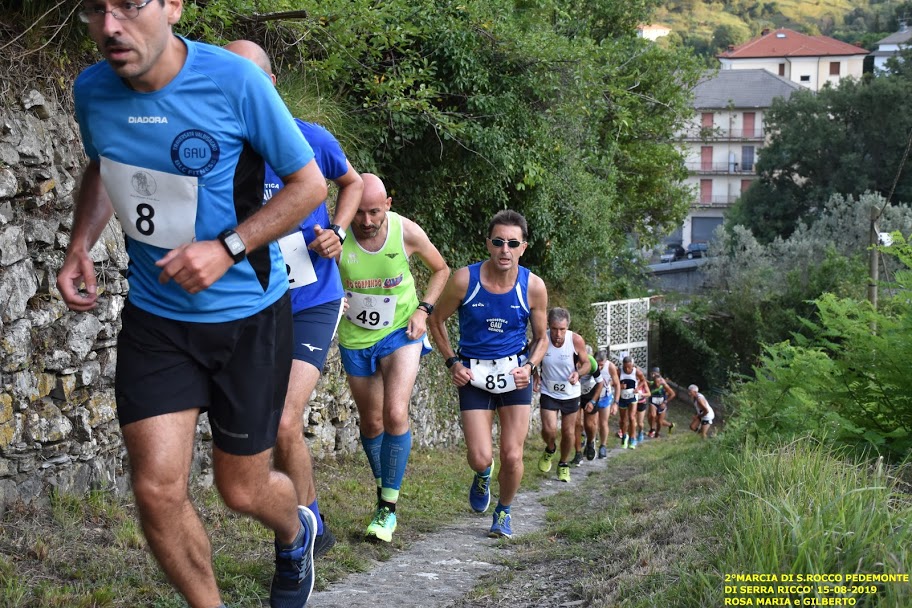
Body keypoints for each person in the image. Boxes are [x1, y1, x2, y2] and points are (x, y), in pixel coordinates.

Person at [60, 3, 329, 607]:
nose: (110, 26)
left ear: (173, 6)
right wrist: (80, 243)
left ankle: (295, 529)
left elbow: (308, 185)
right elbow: (105, 167)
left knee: (243, 489)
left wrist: (228, 248)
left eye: (129, 5)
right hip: (157, 319)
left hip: (249, 319)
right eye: (95, 9)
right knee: (156, 489)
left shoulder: (235, 82)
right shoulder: (92, 88)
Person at [224, 39, 364, 560]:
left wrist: (339, 230)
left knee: (286, 420)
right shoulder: (219, 145)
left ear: (270, 84)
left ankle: (307, 533)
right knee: (264, 427)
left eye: (244, 78)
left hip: (313, 299)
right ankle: (308, 522)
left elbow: (352, 183)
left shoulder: (310, 138)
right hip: (255, 302)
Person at [337, 173, 449, 543]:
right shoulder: (335, 234)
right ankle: (385, 485)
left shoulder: (406, 232)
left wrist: (424, 310)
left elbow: (441, 269)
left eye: (374, 212)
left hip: (401, 330)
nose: (366, 222)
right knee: (371, 424)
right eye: (359, 213)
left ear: (387, 205)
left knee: (395, 413)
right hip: (356, 337)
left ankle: (387, 508)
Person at [428, 210, 548, 539]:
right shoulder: (465, 280)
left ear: (523, 247)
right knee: (481, 456)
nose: (504, 250)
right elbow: (435, 320)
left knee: (512, 454)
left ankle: (504, 511)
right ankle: (483, 475)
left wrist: (530, 366)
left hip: (514, 372)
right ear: (488, 244)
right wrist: (453, 362)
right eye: (498, 242)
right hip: (474, 373)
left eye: (512, 243)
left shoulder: (533, 286)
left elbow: (542, 338)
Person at [535, 308, 590, 482]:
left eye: (562, 329)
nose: (558, 334)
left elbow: (587, 363)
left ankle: (563, 464)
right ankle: (550, 448)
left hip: (570, 393)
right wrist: (535, 374)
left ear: (567, 327)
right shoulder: (541, 338)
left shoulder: (575, 340)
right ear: (549, 326)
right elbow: (529, 358)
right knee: (549, 429)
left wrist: (578, 373)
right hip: (548, 391)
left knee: (568, 433)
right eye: (555, 329)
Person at [573, 347, 603, 464]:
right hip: (575, 392)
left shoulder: (592, 363)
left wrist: (593, 401)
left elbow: (600, 383)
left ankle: (590, 442)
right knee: (576, 424)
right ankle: (578, 453)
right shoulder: (571, 361)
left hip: (591, 392)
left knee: (589, 424)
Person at [617, 356, 648, 449]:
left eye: (629, 367)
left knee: (631, 417)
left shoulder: (636, 372)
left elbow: (643, 380)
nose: (627, 369)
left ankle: (632, 438)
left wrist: (638, 388)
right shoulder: (619, 371)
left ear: (632, 365)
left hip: (632, 398)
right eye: (625, 366)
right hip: (622, 398)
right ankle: (624, 436)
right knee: (623, 420)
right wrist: (620, 385)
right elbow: (614, 382)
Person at [595, 352, 621, 458]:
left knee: (603, 423)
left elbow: (617, 384)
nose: (600, 367)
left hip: (605, 397)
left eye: (602, 364)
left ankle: (603, 446)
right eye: (598, 364)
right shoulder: (591, 364)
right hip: (593, 397)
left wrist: (616, 403)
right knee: (592, 423)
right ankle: (591, 444)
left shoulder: (610, 366)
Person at [647, 367, 676, 438]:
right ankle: (652, 429)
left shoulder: (664, 384)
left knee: (659, 421)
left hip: (661, 403)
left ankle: (658, 432)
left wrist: (665, 402)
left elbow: (672, 394)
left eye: (654, 373)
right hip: (653, 402)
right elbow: (644, 381)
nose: (653, 375)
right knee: (652, 416)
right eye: (652, 373)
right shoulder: (651, 382)